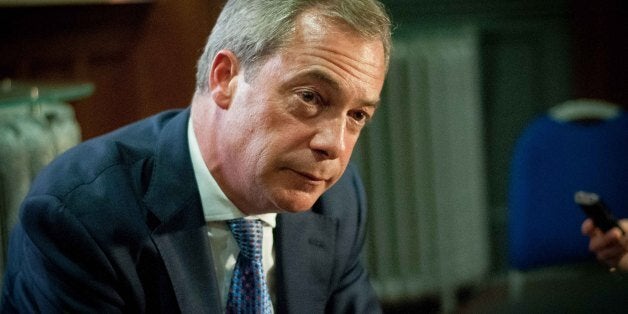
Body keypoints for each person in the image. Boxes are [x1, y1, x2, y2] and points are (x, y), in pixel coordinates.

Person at [0, 0, 391, 313]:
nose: (335, 146)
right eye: (310, 97)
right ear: (224, 78)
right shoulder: (80, 216)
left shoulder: (336, 200)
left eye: (357, 116)